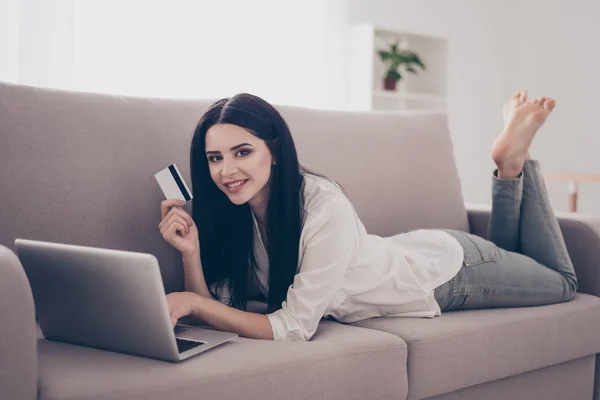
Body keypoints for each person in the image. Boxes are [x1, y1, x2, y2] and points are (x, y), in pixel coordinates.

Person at [159, 91, 578, 342]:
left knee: (562, 283)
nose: (226, 171)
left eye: (242, 152)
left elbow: (293, 329)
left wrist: (193, 301)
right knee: (511, 253)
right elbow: (216, 309)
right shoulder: (238, 214)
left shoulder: (323, 206)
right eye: (215, 158)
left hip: (451, 274)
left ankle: (513, 163)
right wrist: (190, 254)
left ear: (275, 150)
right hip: (413, 249)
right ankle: (509, 168)